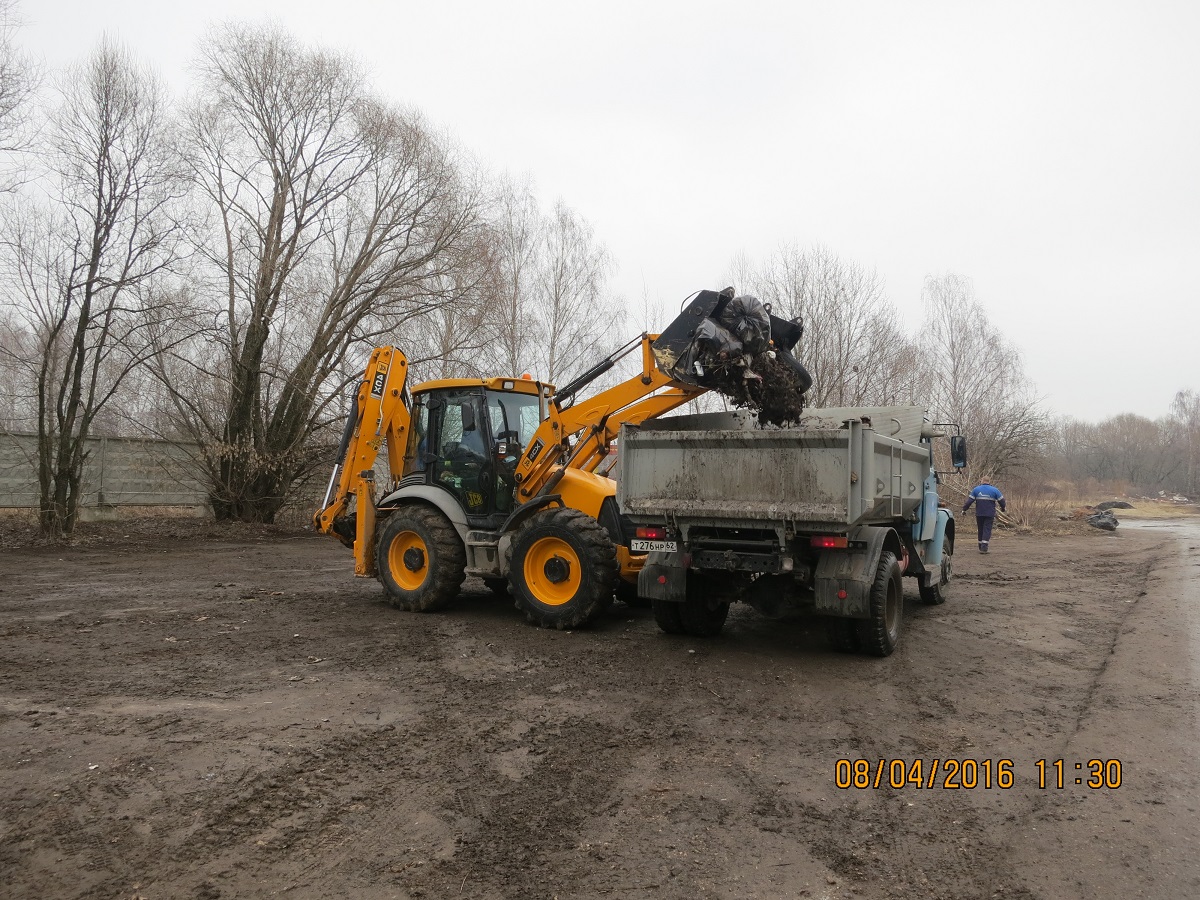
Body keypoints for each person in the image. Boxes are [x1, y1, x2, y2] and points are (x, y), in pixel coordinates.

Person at [962, 478, 1006, 553]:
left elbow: (969, 501)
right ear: (989, 482)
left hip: (979, 513)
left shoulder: (976, 489)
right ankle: (984, 547)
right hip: (990, 513)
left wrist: (964, 509)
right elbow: (1002, 501)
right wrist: (1003, 508)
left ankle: (980, 545)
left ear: (982, 481)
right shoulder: (995, 490)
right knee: (987, 529)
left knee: (980, 529)